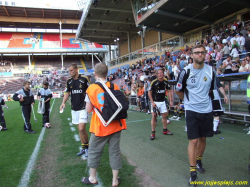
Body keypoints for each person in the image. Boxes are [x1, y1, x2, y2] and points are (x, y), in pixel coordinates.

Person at [175, 44, 216, 187]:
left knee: (203, 138)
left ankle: (199, 160)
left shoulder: (211, 71)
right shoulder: (185, 71)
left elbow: (211, 90)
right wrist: (187, 102)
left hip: (207, 110)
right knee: (193, 141)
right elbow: (178, 91)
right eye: (196, 52)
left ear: (205, 54)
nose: (199, 55)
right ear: (191, 55)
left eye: (202, 52)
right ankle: (193, 172)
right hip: (191, 110)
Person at [82, 63, 127, 186]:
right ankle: (114, 180)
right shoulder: (115, 86)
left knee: (94, 151)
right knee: (115, 152)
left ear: (95, 74)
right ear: (106, 73)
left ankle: (92, 178)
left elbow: (88, 109)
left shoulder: (91, 88)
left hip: (100, 126)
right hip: (116, 124)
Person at [60, 63, 91, 157]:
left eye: (71, 70)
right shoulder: (69, 81)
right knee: (80, 130)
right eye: (69, 71)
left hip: (83, 107)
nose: (69, 72)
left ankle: (88, 148)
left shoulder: (84, 79)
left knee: (82, 128)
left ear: (76, 70)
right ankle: (84, 148)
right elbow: (67, 92)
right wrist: (63, 102)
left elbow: (90, 90)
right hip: (74, 108)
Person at [148, 69, 173, 140]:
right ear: (157, 74)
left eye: (162, 73)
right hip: (155, 102)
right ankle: (153, 133)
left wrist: (170, 100)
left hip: (162, 102)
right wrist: (152, 102)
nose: (160, 74)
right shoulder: (154, 82)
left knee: (165, 116)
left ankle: (165, 130)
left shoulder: (165, 81)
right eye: (159, 73)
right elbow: (149, 93)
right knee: (154, 116)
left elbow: (169, 91)